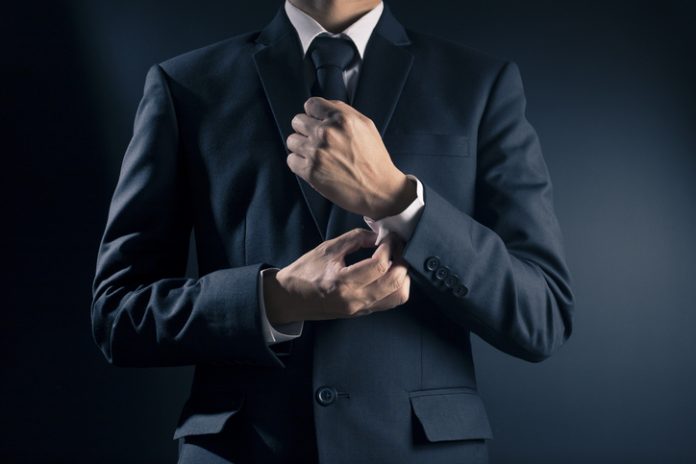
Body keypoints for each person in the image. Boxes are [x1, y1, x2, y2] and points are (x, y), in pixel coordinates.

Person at [90, 0, 575, 462]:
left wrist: (396, 199)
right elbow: (117, 315)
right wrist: (277, 300)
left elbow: (542, 314)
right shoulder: (185, 85)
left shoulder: (480, 83)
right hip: (242, 450)